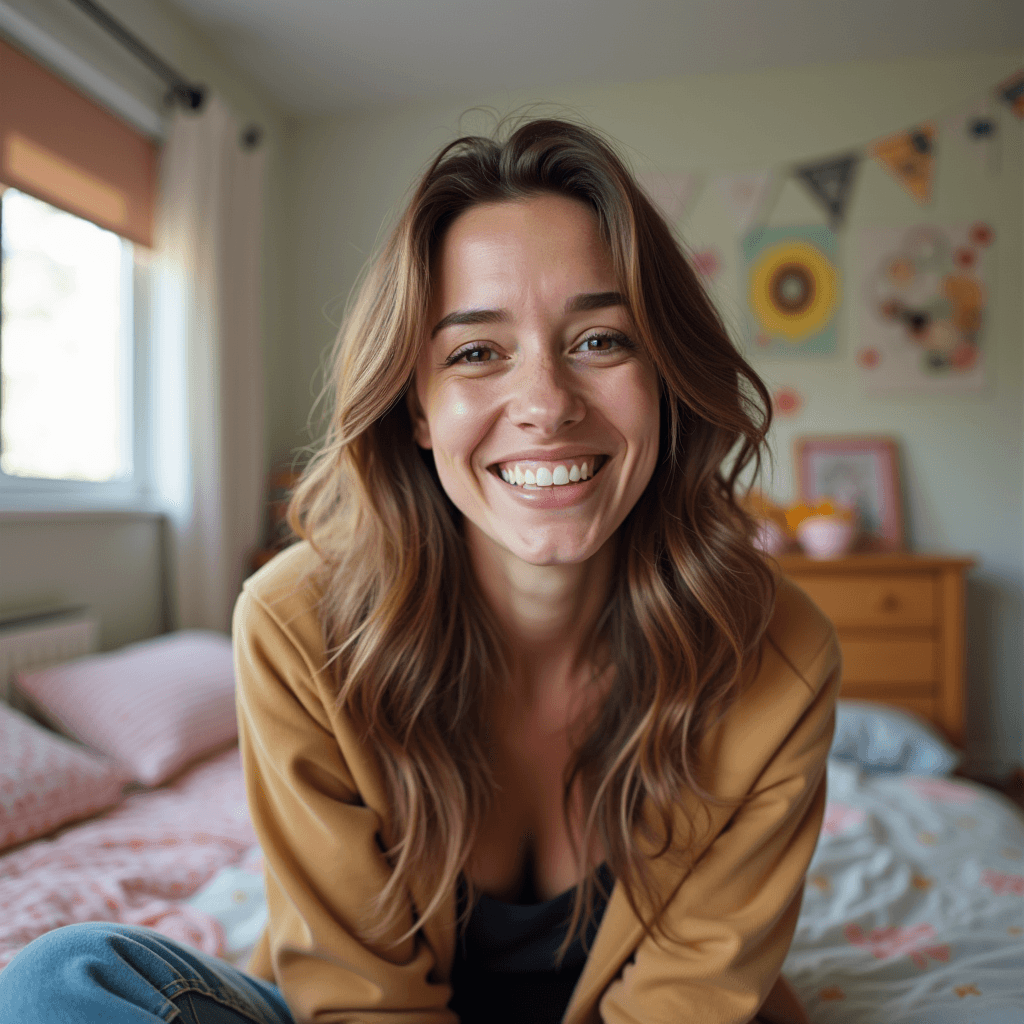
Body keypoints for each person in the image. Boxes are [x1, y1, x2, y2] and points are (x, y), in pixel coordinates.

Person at [0, 115, 840, 1024]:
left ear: (666, 375)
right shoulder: (297, 625)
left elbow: (690, 1005)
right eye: (477, 353)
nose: (547, 405)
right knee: (60, 982)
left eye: (601, 340)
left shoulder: (777, 652)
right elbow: (360, 1003)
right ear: (416, 410)